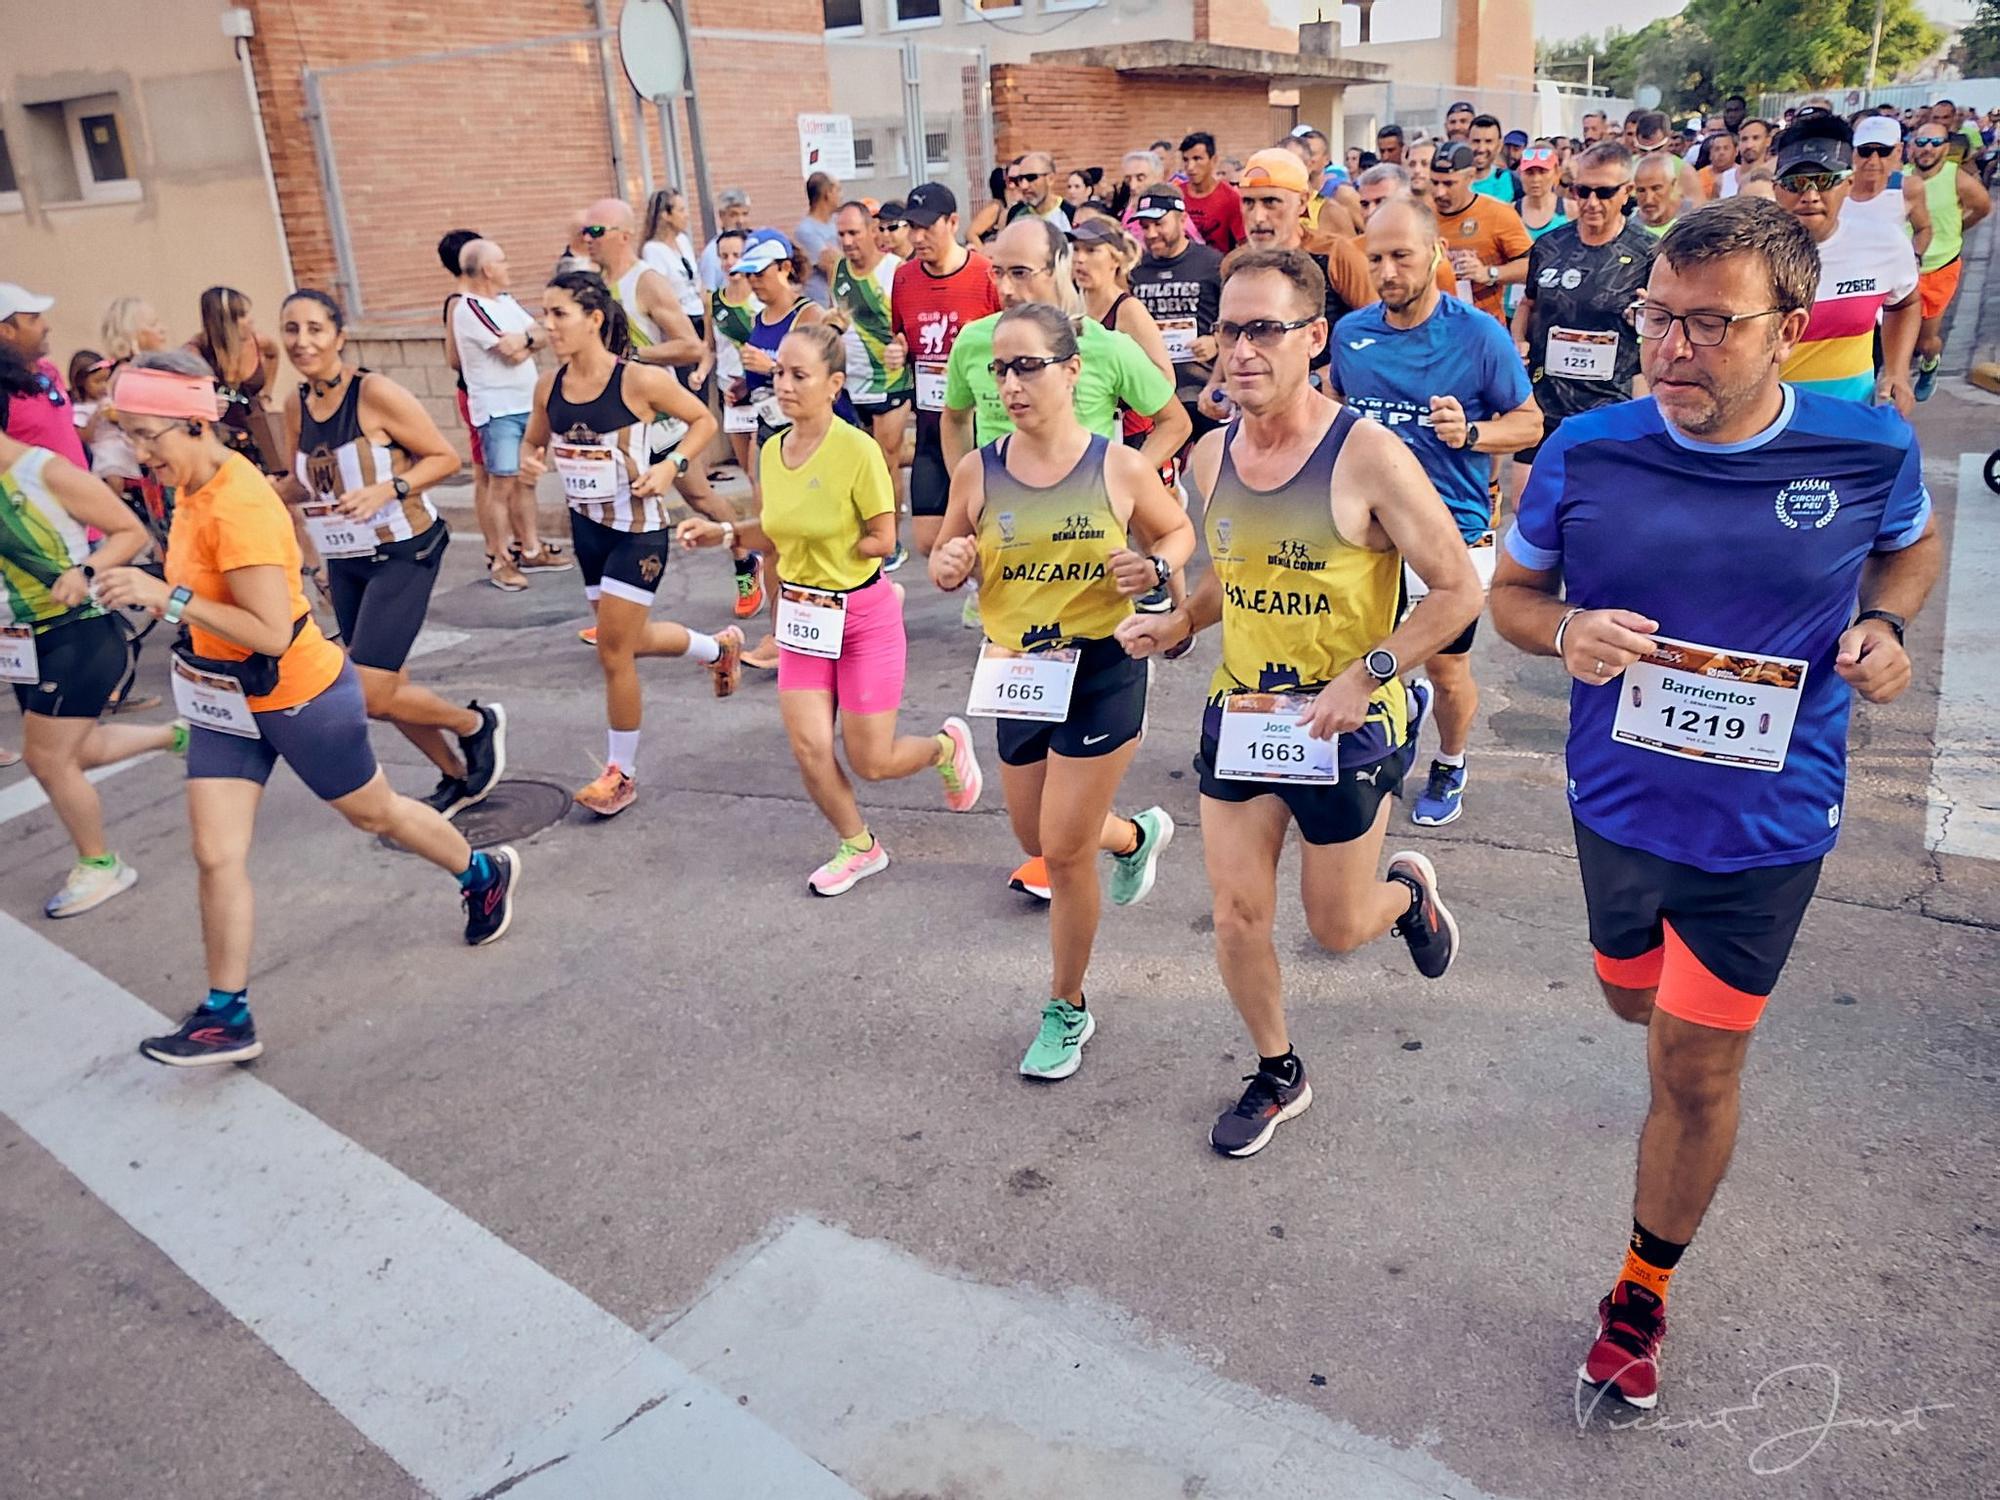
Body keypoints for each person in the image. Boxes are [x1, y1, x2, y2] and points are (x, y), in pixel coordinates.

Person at [1489, 197, 1939, 1412]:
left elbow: (1906, 547)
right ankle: (1662, 1027)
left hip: (1767, 826)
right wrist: (1567, 630)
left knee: (1691, 1068)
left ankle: (1638, 1293)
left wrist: (1884, 624)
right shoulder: (1588, 453)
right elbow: (1512, 599)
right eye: (1656, 318)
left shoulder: (1865, 449)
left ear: (1786, 330)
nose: (1669, 349)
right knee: (1628, 1001)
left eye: (1707, 326)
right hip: (1617, 807)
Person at [1113, 249, 1478, 1157]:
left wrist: (1372, 674)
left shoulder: (1369, 454)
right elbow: (1230, 583)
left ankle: (1406, 895)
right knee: (1237, 913)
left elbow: (1456, 590)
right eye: (1229, 329)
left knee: (1338, 927)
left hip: (1349, 724)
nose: (1239, 351)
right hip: (1245, 717)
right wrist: (1176, 624)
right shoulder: (1208, 456)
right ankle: (1279, 1070)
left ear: (1314, 339)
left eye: (1265, 330)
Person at [94, 354, 520, 1065]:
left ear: (198, 424)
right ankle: (226, 1014)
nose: (141, 454)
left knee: (375, 813)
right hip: (223, 697)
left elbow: (267, 630)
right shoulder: (189, 487)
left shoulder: (240, 503)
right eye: (130, 435)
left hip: (298, 693)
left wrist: (158, 596)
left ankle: (482, 873)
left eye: (150, 435)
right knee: (215, 852)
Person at [928, 303, 1194, 1080]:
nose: (1009, 384)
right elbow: (954, 545)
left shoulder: (1116, 465)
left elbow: (1176, 533)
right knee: (1037, 839)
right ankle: (1136, 837)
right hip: (1017, 670)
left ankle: (1066, 1006)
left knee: (1065, 852)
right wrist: (952, 564)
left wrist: (1157, 570)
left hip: (1105, 665)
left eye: (1027, 366)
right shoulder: (980, 468)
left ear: (1072, 370)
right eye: (999, 369)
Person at [678, 320, 983, 891]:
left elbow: (882, 540)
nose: (785, 386)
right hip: (799, 616)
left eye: (799, 375)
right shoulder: (770, 451)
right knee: (809, 746)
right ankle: (859, 845)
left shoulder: (858, 451)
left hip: (862, 615)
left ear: (833, 383)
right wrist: (724, 535)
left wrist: (816, 541)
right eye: (779, 375)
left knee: (872, 760)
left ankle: (945, 747)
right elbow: (774, 530)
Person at [1332, 199, 1542, 827]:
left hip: (1452, 530)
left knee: (1448, 670)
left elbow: (1528, 422)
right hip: (1369, 532)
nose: (1388, 271)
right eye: (1376, 259)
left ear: (1435, 255)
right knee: (1364, 653)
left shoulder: (1478, 334)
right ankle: (1377, 745)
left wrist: (1471, 435)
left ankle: (1450, 760)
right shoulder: (1351, 334)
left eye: (1402, 255)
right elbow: (1335, 417)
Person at [277, 289, 505, 820]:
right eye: (291, 329)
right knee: (387, 682)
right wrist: (255, 494)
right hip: (346, 557)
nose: (302, 341)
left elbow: (444, 457)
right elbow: (303, 481)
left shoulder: (374, 393)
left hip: (405, 549)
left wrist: (391, 488)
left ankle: (475, 725)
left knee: (370, 691)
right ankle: (457, 775)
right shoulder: (296, 403)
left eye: (314, 328)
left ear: (339, 335)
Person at [519, 271, 737, 817]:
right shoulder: (548, 386)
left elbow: (703, 421)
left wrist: (672, 467)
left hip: (638, 531)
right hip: (587, 531)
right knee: (630, 641)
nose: (548, 326)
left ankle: (621, 774)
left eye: (558, 314)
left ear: (594, 319)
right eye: (544, 314)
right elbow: (534, 438)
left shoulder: (639, 381)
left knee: (614, 651)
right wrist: (529, 459)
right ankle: (717, 649)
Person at [0, 391, 183, 918]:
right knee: (74, 751)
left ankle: (101, 865)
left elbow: (130, 532)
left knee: (46, 756)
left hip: (78, 632)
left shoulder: (43, 470)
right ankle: (177, 736)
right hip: (22, 641)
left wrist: (84, 572)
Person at [942, 217, 1189, 478]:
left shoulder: (1104, 344)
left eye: (1020, 273)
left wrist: (1121, 480)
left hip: (1086, 512)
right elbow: (954, 419)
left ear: (1057, 269)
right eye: (998, 272)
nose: (1005, 288)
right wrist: (966, 487)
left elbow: (1175, 423)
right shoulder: (973, 340)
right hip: (1001, 512)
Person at [1512, 142, 1657, 470]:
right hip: (1544, 402)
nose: (1591, 203)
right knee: (1526, 504)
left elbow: (1665, 323)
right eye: (1582, 191)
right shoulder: (1549, 246)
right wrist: (1517, 339)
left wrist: (1651, 315)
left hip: (1609, 406)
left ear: (1626, 192)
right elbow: (1527, 303)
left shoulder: (1648, 252)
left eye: (1604, 192)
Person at [1770, 115, 1920, 411]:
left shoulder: (1885, 243)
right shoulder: (1747, 256)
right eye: (1796, 183)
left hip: (1852, 423)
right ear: (1777, 188)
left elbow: (1904, 303)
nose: (1810, 196)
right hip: (1767, 430)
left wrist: (1897, 372)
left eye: (1825, 181)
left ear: (1848, 183)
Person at [888, 182, 1002, 564]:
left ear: (953, 222)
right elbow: (904, 337)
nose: (917, 238)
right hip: (931, 428)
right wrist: (899, 350)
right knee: (928, 541)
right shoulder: (904, 278)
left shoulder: (987, 275)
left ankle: (996, 607)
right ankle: (979, 587)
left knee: (996, 532)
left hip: (981, 425)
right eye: (911, 228)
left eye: (927, 227)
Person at [453, 239, 564, 588]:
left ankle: (531, 549)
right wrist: (528, 340)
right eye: (502, 261)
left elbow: (544, 332)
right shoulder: (468, 308)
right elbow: (509, 351)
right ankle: (501, 560)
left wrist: (527, 340)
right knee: (500, 484)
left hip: (526, 404)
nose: (508, 267)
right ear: (487, 269)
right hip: (498, 410)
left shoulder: (505, 302)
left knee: (526, 480)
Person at [437, 229, 527, 591]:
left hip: (506, 396)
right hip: (482, 396)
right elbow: (454, 358)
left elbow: (531, 335)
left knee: (511, 476)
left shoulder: (498, 301)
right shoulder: (461, 304)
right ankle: (497, 552)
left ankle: (522, 543)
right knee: (488, 476)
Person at [832, 199, 914, 564]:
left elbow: (909, 325)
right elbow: (840, 317)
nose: (848, 241)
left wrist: (903, 346)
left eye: (854, 232)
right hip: (852, 383)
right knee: (860, 466)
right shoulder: (838, 271)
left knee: (885, 464)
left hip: (891, 381)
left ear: (872, 231)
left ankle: (891, 542)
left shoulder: (895, 271)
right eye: (842, 234)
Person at [1129, 186, 1227, 440]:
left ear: (1182, 219)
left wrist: (1216, 341)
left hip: (1201, 389)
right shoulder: (1134, 269)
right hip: (1150, 394)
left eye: (1159, 224)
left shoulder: (1212, 263)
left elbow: (1235, 320)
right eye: (1144, 226)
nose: (1150, 234)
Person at [1908, 119, 1991, 401]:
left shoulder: (1956, 178)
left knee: (1924, 341)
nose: (1927, 149)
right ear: (1911, 147)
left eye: (1934, 143)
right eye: (1921, 142)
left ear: (1946, 148)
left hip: (1939, 269)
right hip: (1902, 269)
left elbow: (1982, 207)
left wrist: (1956, 229)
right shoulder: (1900, 178)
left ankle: (1930, 364)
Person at [1430, 142, 1533, 324]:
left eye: (1449, 183)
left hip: (1483, 328)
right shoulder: (1421, 215)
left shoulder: (1497, 213)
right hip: (1435, 327)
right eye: (1434, 182)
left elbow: (1532, 266)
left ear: (1470, 177)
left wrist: (1489, 273)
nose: (1439, 192)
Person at [188, 286, 284, 473]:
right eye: (242, 316)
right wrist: (205, 403)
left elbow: (274, 354)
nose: (251, 321)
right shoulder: (198, 352)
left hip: (258, 431)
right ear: (224, 322)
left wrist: (266, 395)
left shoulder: (258, 342)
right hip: (222, 439)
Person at [0, 284, 90, 468]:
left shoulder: (48, 370)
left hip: (79, 492)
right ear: (6, 331)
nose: (46, 326)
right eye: (33, 319)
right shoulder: (4, 391)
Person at [1179, 131, 1247, 252]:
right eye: (1186, 160)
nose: (1190, 167)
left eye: (1197, 159)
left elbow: (1244, 245)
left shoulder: (1231, 198)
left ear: (1213, 160)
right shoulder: (1176, 195)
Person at [795, 170, 843, 306]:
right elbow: (831, 264)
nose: (841, 196)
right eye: (838, 190)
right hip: (821, 303)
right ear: (827, 193)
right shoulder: (806, 231)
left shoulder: (838, 221)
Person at [698, 187, 754, 291]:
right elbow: (709, 290)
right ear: (722, 216)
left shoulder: (755, 244)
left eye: (745, 214)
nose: (740, 221)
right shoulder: (712, 252)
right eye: (734, 215)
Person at [1468, 114, 1522, 206]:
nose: (1481, 149)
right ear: (1467, 142)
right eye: (1476, 141)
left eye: (1488, 141)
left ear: (1499, 145)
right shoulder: (1454, 180)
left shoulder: (1512, 181)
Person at [1009, 153, 1071, 232]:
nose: (1024, 186)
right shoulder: (1016, 215)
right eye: (1020, 179)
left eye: (1031, 177)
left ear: (1050, 179)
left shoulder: (1070, 214)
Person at [1633, 152, 1685, 236]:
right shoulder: (1628, 230)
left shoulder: (1692, 223)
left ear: (1673, 184)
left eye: (1656, 188)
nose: (1648, 199)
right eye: (1641, 190)